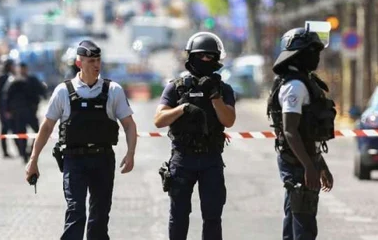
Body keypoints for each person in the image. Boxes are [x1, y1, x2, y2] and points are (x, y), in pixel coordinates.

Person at [25, 40, 138, 240]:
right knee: (76, 211)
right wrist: (33, 160)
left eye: (98, 60)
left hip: (102, 160)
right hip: (74, 160)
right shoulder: (63, 91)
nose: (96, 65)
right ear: (79, 63)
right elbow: (47, 126)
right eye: (91, 61)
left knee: (99, 217)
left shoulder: (113, 90)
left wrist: (130, 154)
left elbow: (129, 124)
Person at [153, 32, 236, 240]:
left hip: (211, 158)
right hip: (182, 158)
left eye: (210, 56)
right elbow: (159, 120)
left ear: (217, 59)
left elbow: (229, 120)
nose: (206, 60)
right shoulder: (177, 86)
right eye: (201, 56)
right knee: (179, 215)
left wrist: (214, 96)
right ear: (191, 57)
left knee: (212, 216)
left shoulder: (223, 89)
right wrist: (182, 109)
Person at [266, 27, 336, 240]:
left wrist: (320, 165)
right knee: (304, 228)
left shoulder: (304, 81)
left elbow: (308, 133)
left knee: (294, 221)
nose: (317, 56)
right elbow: (290, 131)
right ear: (299, 54)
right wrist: (309, 167)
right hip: (297, 164)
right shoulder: (295, 86)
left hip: (303, 160)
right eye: (312, 51)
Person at [3, 62, 46, 161]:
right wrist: (7, 110)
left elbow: (40, 90)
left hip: (30, 111)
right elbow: (7, 96)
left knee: (38, 132)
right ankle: (23, 154)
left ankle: (31, 151)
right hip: (18, 112)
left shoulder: (31, 80)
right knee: (21, 134)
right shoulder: (13, 81)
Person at [0, 58, 15, 158]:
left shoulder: (12, 76)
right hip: (4, 108)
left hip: (11, 107)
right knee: (5, 129)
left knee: (15, 130)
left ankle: (20, 150)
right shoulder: (2, 78)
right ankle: (5, 151)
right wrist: (4, 109)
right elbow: (0, 95)